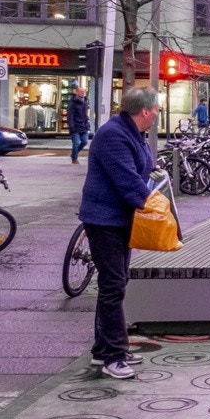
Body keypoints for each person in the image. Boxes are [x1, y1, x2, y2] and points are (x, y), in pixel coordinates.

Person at [77, 86, 158, 380]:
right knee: (113, 286)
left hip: (119, 219)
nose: (157, 116)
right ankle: (113, 355)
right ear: (145, 111)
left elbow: (143, 168)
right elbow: (128, 179)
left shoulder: (131, 132)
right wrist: (155, 206)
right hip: (105, 219)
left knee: (116, 282)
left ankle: (104, 350)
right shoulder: (113, 135)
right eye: (156, 111)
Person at [67, 90, 91, 165]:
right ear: (77, 93)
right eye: (81, 91)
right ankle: (74, 159)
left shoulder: (85, 101)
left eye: (84, 91)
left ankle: (74, 154)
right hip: (75, 126)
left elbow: (85, 115)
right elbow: (70, 115)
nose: (83, 93)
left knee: (85, 141)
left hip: (84, 126)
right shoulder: (73, 102)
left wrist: (87, 124)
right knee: (76, 143)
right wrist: (72, 126)